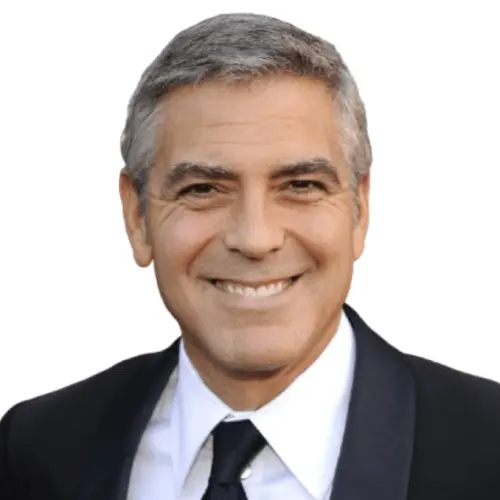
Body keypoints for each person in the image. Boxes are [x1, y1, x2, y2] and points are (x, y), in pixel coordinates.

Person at [1, 12, 500, 500]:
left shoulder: (486, 447)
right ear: (137, 217)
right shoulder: (36, 450)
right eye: (202, 189)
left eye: (301, 185)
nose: (255, 238)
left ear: (359, 208)